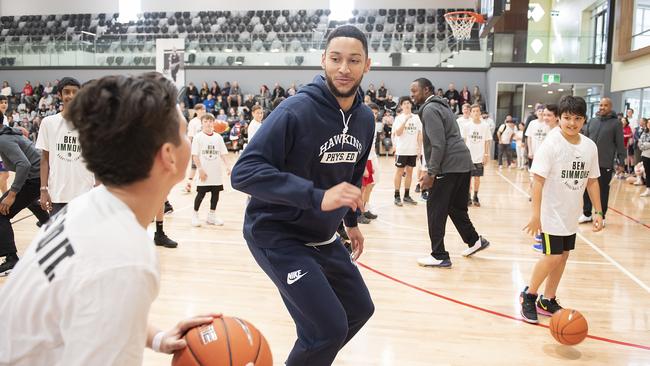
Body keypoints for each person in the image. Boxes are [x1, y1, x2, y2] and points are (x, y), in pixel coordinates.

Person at [0, 72, 219, 364]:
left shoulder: (89, 207)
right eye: (183, 133)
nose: (188, 140)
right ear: (168, 155)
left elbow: (87, 307)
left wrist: (155, 337)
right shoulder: (126, 258)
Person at [231, 25, 375, 366]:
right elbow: (243, 172)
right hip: (276, 232)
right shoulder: (295, 110)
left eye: (353, 60)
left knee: (357, 310)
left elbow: (352, 174)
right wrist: (315, 196)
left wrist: (350, 221)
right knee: (327, 328)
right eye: (336, 59)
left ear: (367, 65)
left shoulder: (365, 119)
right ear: (323, 60)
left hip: (322, 236)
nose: (344, 68)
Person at [520, 95, 603, 324]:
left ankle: (548, 299)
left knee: (563, 257)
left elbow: (592, 180)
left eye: (577, 118)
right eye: (567, 118)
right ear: (560, 119)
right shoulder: (552, 143)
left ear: (584, 120)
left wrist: (598, 211)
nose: (572, 123)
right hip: (550, 213)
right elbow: (537, 181)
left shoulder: (589, 146)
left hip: (570, 214)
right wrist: (536, 215)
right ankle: (529, 295)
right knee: (552, 256)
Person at [410, 78, 490, 269]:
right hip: (463, 162)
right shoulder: (442, 106)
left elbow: (438, 144)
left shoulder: (429, 109)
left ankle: (439, 255)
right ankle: (474, 240)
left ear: (426, 89)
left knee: (435, 209)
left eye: (415, 91)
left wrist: (431, 172)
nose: (412, 94)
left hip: (449, 165)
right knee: (455, 207)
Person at [35, 77, 95, 217]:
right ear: (59, 95)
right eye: (67, 92)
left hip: (85, 194)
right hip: (57, 195)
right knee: (60, 238)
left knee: (82, 238)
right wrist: (43, 189)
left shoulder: (90, 123)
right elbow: (44, 159)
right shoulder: (48, 123)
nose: (71, 96)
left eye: (75, 92)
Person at [0, 126, 50, 275]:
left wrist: (12, 194)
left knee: (1, 212)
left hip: (34, 178)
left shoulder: (2, 139)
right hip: (38, 175)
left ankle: (11, 258)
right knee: (30, 202)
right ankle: (48, 225)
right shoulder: (7, 133)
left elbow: (24, 164)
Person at [578, 97, 625, 226]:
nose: (602, 107)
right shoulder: (593, 121)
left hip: (605, 163)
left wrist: (621, 162)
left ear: (610, 107)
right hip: (588, 162)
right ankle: (586, 214)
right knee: (586, 188)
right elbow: (584, 140)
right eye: (600, 105)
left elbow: (620, 144)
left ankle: (601, 216)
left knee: (603, 190)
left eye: (605, 105)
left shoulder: (616, 123)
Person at [191, 113, 230, 227]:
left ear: (213, 123)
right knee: (201, 194)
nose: (208, 123)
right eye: (205, 121)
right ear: (202, 123)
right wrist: (200, 169)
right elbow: (195, 155)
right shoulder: (198, 137)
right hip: (204, 171)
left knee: (215, 193)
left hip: (216, 171)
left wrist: (228, 166)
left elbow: (223, 154)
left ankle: (211, 216)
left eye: (210, 121)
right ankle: (195, 215)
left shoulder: (218, 137)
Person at [392, 97, 422, 206]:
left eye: (408, 103)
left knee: (410, 172)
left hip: (412, 150)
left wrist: (419, 149)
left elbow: (419, 134)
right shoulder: (399, 118)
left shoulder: (417, 118)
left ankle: (407, 195)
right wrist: (405, 120)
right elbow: (398, 133)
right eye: (404, 103)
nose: (407, 105)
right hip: (402, 150)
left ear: (411, 105)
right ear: (401, 106)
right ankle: (396, 196)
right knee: (399, 172)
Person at [463, 104, 492, 207]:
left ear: (480, 113)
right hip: (468, 157)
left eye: (477, 111)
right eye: (473, 111)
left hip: (479, 156)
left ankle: (475, 196)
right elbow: (464, 141)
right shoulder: (467, 126)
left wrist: (486, 154)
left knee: (477, 178)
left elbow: (487, 141)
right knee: (468, 178)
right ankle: (468, 196)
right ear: (471, 113)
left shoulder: (485, 126)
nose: (475, 113)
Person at [183, 104, 207, 193]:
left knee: (208, 164)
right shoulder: (193, 122)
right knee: (194, 166)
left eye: (204, 109)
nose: (203, 111)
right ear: (196, 111)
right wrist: (189, 148)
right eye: (201, 110)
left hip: (206, 146)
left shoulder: (207, 119)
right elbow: (190, 136)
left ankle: (208, 184)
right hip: (196, 147)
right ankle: (188, 184)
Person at [637, 120, 650, 197]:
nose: (649, 124)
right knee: (648, 173)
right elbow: (640, 144)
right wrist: (647, 144)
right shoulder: (644, 133)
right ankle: (648, 190)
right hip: (645, 155)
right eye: (648, 123)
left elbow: (643, 144)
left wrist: (645, 144)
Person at [0, 96, 9, 194]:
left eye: (6, 102)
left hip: (4, 150)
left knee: (3, 175)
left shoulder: (5, 117)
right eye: (1, 102)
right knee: (5, 174)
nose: (4, 104)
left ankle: (4, 197)